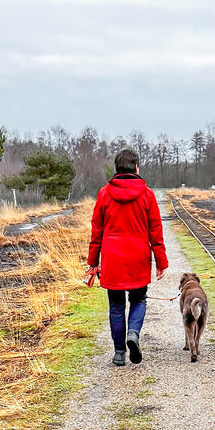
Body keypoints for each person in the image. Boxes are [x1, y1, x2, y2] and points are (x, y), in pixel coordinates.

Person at [87, 148, 168, 366]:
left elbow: (97, 231)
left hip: (112, 257)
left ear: (117, 168)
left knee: (116, 306)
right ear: (136, 167)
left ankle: (119, 352)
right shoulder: (147, 194)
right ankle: (133, 333)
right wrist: (161, 261)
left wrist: (93, 262)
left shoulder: (104, 194)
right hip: (138, 256)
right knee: (138, 299)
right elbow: (155, 232)